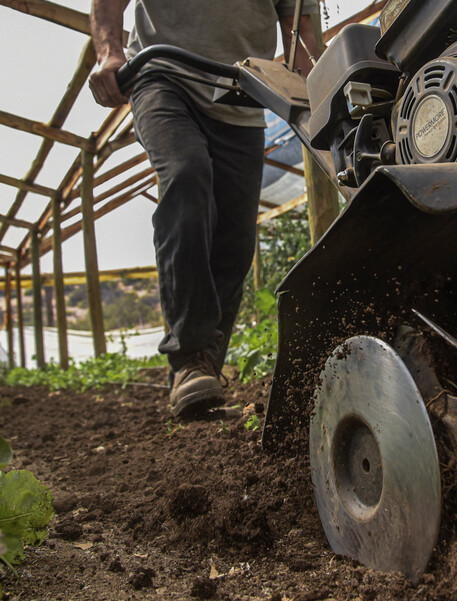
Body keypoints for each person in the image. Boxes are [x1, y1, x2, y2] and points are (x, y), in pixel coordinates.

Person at [89, 0, 321, 417]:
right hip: (164, 74)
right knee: (187, 173)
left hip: (241, 91)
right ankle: (189, 355)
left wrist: (317, 85)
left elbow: (298, 26)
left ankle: (203, 374)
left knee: (236, 237)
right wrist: (109, 51)